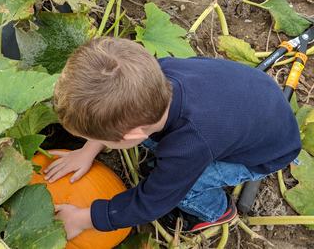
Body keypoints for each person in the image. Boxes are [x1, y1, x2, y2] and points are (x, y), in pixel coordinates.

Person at [44, 37, 301, 239]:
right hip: (255, 95)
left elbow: (150, 203)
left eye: (99, 138)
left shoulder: (189, 145)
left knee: (183, 191)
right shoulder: (155, 75)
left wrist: (83, 219)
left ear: (131, 134)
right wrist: (88, 150)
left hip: (263, 154)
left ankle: (217, 211)